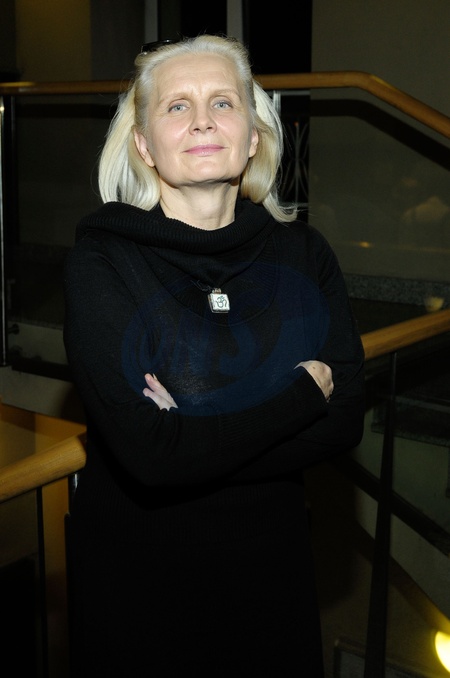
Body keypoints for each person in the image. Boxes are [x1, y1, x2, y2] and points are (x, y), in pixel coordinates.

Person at [63, 34, 365, 677]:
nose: (202, 120)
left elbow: (345, 421)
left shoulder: (304, 254)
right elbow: (150, 458)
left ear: (253, 135)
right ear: (144, 144)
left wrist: (190, 433)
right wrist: (299, 397)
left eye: (223, 102)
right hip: (140, 589)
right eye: (177, 106)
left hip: (271, 576)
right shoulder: (101, 260)